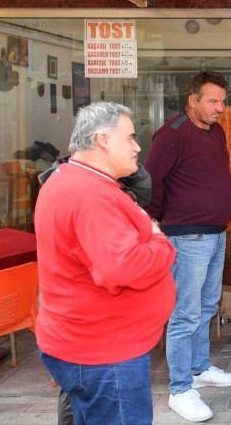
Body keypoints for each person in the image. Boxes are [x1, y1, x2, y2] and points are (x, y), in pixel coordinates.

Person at [34, 102, 175, 425]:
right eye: (130, 138)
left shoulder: (72, 178)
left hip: (89, 346)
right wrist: (160, 242)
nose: (137, 147)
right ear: (103, 140)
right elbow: (124, 268)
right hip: (105, 356)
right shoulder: (90, 195)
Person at [145, 70, 231, 423]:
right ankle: (180, 389)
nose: (219, 108)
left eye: (222, 102)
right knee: (184, 314)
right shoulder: (172, 134)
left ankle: (199, 368)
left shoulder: (217, 132)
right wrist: (155, 222)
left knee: (207, 305)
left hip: (216, 233)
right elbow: (151, 182)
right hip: (186, 237)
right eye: (213, 101)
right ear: (193, 100)